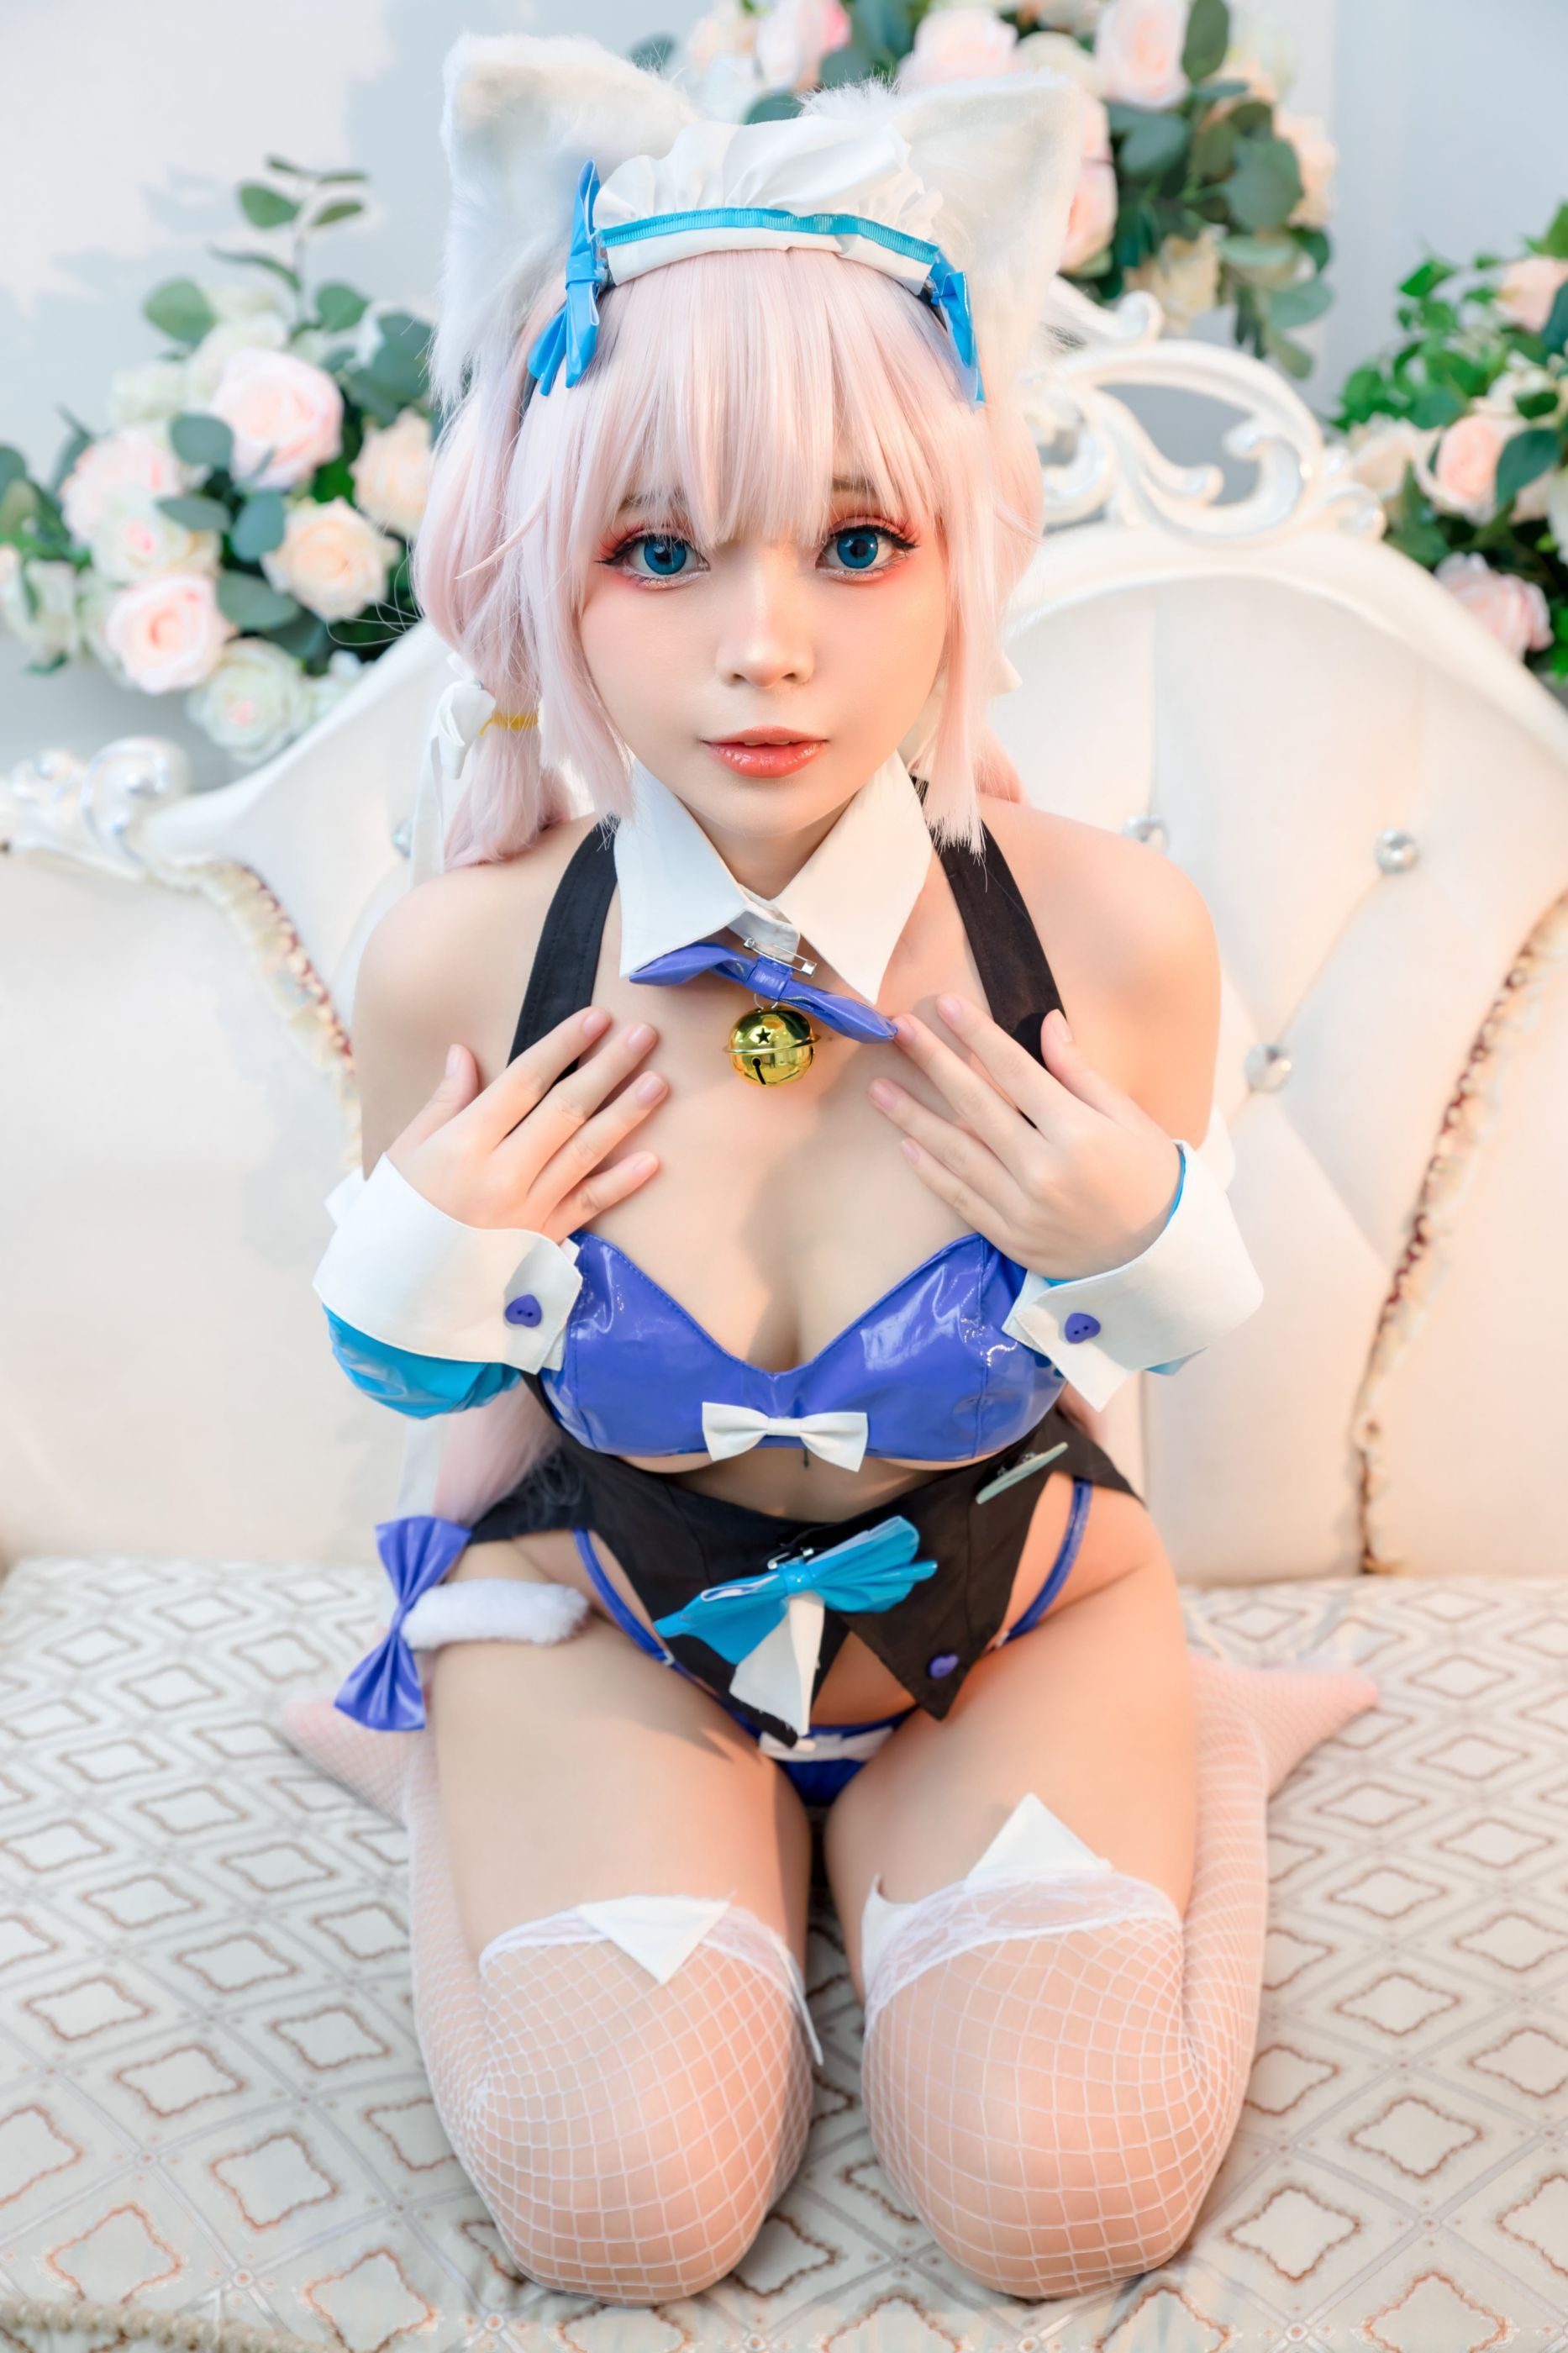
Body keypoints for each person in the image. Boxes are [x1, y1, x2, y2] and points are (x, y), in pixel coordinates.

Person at [282, 29, 1378, 2308]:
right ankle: (454, 1778)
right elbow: (418, 1393)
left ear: (964, 555)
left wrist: (1133, 1232)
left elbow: (1153, 1352)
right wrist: (429, 1251)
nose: (763, 644)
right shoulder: (471, 951)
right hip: (604, 1621)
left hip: (1016, 1619)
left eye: (857, 543)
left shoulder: (1103, 934)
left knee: (1063, 2186)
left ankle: (1179, 1752)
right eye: (658, 548)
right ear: (551, 564)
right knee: (621, 2204)